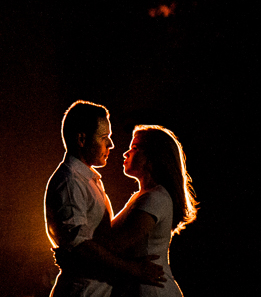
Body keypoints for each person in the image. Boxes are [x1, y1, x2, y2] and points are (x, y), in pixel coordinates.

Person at [44, 101, 166, 297]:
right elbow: (80, 246)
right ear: (82, 139)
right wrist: (134, 269)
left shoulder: (87, 180)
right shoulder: (70, 182)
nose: (111, 144)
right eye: (104, 137)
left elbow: (87, 244)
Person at [103, 125, 198, 297]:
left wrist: (76, 251)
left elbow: (113, 247)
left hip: (150, 290)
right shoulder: (143, 196)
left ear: (152, 157)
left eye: (134, 148)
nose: (126, 153)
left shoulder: (155, 199)